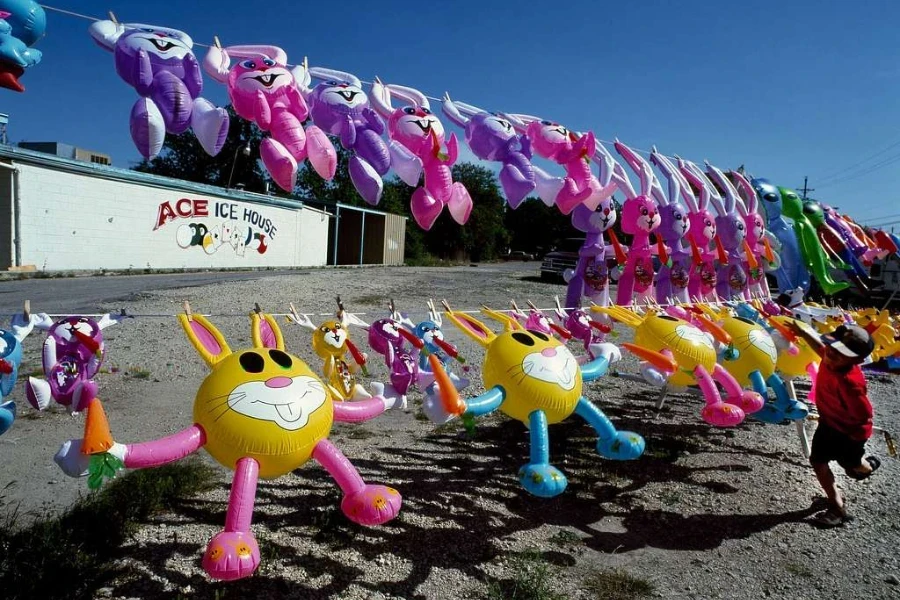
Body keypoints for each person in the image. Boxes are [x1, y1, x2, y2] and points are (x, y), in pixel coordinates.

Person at [786, 320, 881, 527]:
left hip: (849, 434)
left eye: (841, 352)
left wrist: (851, 435)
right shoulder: (830, 358)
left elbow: (864, 414)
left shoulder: (849, 382)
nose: (831, 353)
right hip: (828, 425)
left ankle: (867, 467)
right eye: (832, 346)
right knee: (818, 461)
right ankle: (837, 507)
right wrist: (803, 332)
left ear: (857, 359)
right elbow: (820, 347)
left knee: (851, 465)